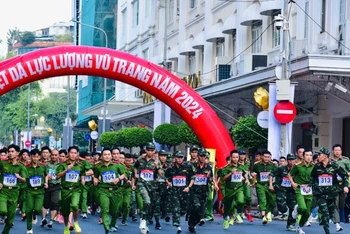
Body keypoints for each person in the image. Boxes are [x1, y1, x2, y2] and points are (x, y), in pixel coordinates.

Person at [311, 147, 349, 234]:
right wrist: (313, 186)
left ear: (325, 156)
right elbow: (312, 177)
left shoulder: (334, 165)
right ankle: (327, 231)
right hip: (321, 194)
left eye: (320, 154)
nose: (318, 156)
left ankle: (332, 222)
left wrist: (345, 186)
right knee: (325, 213)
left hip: (332, 193)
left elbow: (345, 175)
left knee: (332, 210)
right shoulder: (317, 166)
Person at [93, 147, 126, 234]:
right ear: (102, 156)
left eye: (108, 154)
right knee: (105, 209)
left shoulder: (117, 166)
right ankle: (107, 228)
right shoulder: (98, 167)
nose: (107, 156)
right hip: (103, 190)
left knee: (115, 211)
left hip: (115, 191)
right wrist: (95, 179)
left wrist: (118, 179)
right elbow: (95, 175)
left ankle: (112, 223)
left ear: (111, 156)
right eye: (105, 155)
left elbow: (124, 174)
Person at [132, 142, 162, 234]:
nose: (150, 152)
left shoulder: (157, 161)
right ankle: (143, 220)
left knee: (150, 205)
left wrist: (157, 166)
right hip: (141, 184)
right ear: (145, 150)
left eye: (152, 150)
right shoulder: (140, 159)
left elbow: (161, 174)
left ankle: (144, 219)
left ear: (154, 151)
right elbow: (135, 167)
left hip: (152, 186)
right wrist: (136, 173)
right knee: (147, 201)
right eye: (148, 150)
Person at [56, 146, 85, 234]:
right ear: (68, 154)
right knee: (65, 211)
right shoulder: (63, 165)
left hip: (76, 189)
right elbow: (57, 176)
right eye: (71, 153)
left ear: (77, 154)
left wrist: (83, 179)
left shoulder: (80, 165)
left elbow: (82, 174)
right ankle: (66, 227)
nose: (73, 155)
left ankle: (75, 222)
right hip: (65, 190)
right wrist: (66, 170)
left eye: (75, 153)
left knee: (75, 205)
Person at [165, 150, 195, 234]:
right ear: (175, 158)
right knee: (175, 208)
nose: (179, 159)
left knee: (183, 209)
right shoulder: (170, 168)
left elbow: (193, 177)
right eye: (178, 157)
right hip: (174, 191)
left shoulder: (188, 166)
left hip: (185, 191)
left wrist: (189, 187)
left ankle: (182, 216)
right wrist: (168, 182)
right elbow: (166, 177)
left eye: (181, 157)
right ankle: (177, 224)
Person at [0, 144, 28, 234]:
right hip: (3, 191)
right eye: (9, 151)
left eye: (12, 151)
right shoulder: (3, 163)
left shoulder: (21, 166)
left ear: (17, 153)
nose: (10, 153)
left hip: (14, 192)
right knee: (3, 211)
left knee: (10, 219)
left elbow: (25, 180)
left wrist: (20, 177)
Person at [221, 150, 248, 229]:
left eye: (237, 157)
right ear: (231, 157)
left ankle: (237, 212)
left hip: (239, 188)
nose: (235, 159)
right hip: (229, 189)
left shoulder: (240, 166)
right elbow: (224, 178)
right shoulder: (227, 168)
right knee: (228, 206)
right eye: (234, 157)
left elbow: (244, 174)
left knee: (241, 201)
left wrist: (246, 179)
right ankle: (226, 218)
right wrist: (231, 173)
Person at [288, 149, 314, 234]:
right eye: (307, 155)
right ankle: (297, 209)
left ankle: (300, 226)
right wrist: (293, 183)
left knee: (307, 213)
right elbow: (289, 174)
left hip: (309, 190)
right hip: (299, 189)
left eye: (310, 155)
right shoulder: (297, 166)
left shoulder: (314, 166)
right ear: (303, 156)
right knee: (302, 207)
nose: (309, 157)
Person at [187, 148, 213, 233]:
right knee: (196, 206)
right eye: (201, 156)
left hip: (203, 192)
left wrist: (209, 178)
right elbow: (189, 177)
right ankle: (191, 223)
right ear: (198, 156)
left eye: (204, 156)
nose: (202, 158)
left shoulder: (208, 167)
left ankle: (193, 224)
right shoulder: (193, 166)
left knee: (201, 213)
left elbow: (211, 180)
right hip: (194, 191)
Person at [270, 153, 297, 231]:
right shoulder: (281, 168)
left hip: (291, 191)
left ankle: (290, 225)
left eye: (293, 160)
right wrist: (271, 185)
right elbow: (272, 174)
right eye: (289, 160)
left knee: (293, 207)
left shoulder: (297, 169)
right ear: (287, 160)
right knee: (283, 208)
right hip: (281, 189)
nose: (291, 161)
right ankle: (280, 208)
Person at [25, 149, 47, 234]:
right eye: (34, 156)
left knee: (38, 209)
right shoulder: (26, 167)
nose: (35, 158)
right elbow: (24, 178)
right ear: (31, 156)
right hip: (29, 191)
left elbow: (46, 175)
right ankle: (29, 228)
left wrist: (46, 183)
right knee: (29, 209)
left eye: (37, 157)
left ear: (39, 157)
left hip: (40, 190)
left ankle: (35, 215)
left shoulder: (43, 166)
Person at [252, 150, 277, 224]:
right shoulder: (257, 165)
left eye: (268, 157)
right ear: (262, 157)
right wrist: (253, 177)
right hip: (260, 185)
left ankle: (268, 211)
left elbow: (277, 175)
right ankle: (263, 216)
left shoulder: (273, 166)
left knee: (272, 200)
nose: (266, 158)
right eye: (265, 157)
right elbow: (253, 173)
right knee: (262, 200)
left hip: (270, 185)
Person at [332, 144, 350, 231]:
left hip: (343, 185)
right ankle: (337, 224)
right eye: (335, 150)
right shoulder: (330, 161)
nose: (337, 152)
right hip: (334, 185)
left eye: (339, 150)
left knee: (341, 205)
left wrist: (347, 185)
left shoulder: (346, 161)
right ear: (333, 151)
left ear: (341, 151)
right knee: (335, 204)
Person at [42, 149, 61, 228]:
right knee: (45, 203)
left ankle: (51, 221)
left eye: (56, 155)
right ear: (50, 155)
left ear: (58, 156)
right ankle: (43, 218)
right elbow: (43, 174)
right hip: (47, 186)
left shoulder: (61, 165)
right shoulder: (46, 164)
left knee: (54, 202)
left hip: (56, 186)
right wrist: (46, 179)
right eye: (52, 155)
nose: (54, 156)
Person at [238, 149, 254, 222]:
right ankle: (240, 213)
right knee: (241, 199)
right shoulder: (236, 163)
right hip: (238, 182)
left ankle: (249, 213)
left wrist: (251, 179)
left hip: (246, 182)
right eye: (241, 154)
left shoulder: (247, 163)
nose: (242, 156)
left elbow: (248, 172)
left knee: (248, 197)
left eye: (243, 154)